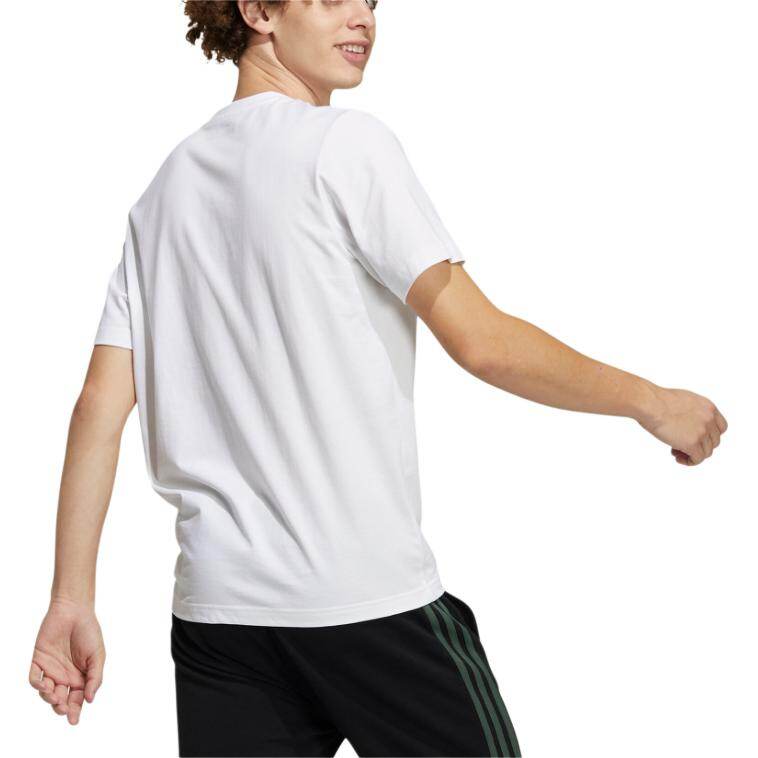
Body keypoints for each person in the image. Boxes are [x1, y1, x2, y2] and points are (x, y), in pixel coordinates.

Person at [27, 1, 728, 755]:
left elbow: (99, 408)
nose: (362, 16)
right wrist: (654, 403)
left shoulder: (163, 194)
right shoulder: (345, 147)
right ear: (259, 11)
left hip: (221, 621)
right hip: (364, 601)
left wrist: (71, 599)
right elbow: (484, 343)